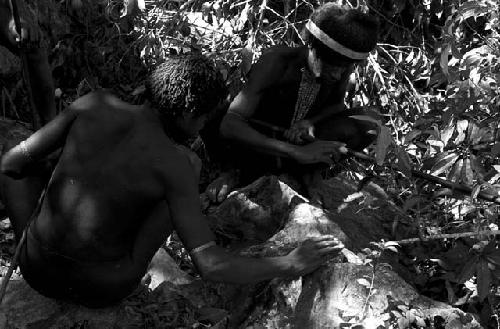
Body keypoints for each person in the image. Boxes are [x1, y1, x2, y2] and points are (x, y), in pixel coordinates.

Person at [0, 50, 344, 307]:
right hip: (102, 288)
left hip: (34, 267)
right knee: (179, 175)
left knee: (29, 170)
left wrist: (33, 224)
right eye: (202, 120)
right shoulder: (179, 163)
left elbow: (11, 165)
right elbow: (211, 264)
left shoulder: (92, 104)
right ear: (189, 113)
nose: (199, 132)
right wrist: (289, 263)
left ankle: (39, 242)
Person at [206, 3, 380, 203]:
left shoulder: (339, 66)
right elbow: (229, 125)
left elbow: (336, 106)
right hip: (257, 147)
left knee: (370, 121)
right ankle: (236, 172)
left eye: (345, 69)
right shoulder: (276, 62)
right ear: (313, 47)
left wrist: (311, 122)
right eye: (333, 66)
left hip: (298, 149)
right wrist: (295, 151)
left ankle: (308, 173)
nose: (338, 74)